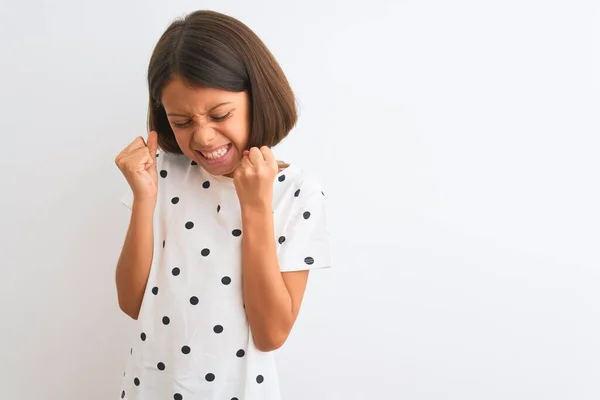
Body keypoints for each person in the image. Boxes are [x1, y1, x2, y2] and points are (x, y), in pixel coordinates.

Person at [113, 9, 332, 400]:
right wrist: (144, 198)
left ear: (257, 96)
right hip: (149, 387)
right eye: (181, 122)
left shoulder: (297, 192)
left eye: (220, 115)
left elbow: (272, 334)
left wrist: (255, 208)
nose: (203, 137)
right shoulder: (160, 174)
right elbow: (132, 303)